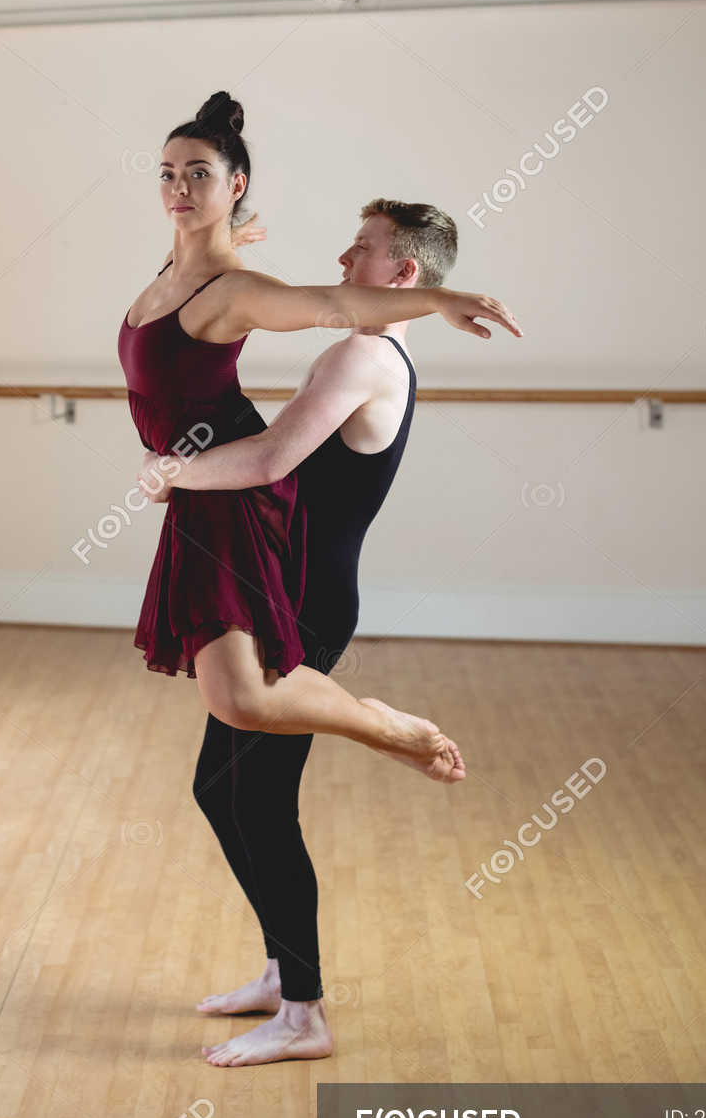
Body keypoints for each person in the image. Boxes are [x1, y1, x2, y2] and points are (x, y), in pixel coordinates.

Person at [139, 198, 483, 1066]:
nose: (344, 256)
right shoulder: (378, 351)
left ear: (401, 274)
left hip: (306, 601)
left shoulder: (362, 354)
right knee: (223, 792)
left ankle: (304, 1014)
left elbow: (267, 460)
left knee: (260, 804)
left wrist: (171, 474)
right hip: (289, 587)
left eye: (362, 249)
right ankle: (282, 972)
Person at [117, 91, 521, 790]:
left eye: (200, 173)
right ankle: (381, 729)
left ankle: (393, 730)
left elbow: (333, 307)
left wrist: (435, 299)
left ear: (236, 184)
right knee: (236, 708)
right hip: (196, 482)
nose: (178, 186)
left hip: (224, 483)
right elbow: (192, 251)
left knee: (241, 700)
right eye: (167, 172)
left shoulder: (234, 290)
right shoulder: (178, 272)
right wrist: (217, 234)